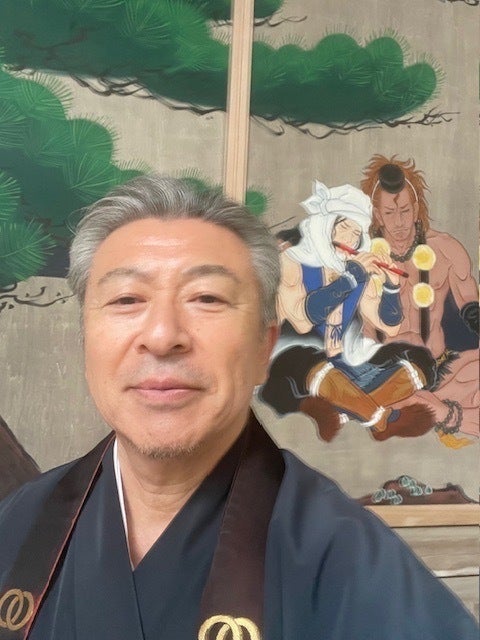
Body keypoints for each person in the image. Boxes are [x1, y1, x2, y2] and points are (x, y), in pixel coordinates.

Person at [0, 175, 476, 640]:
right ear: (85, 340)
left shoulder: (350, 563)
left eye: (206, 298)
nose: (162, 336)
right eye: (126, 299)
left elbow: (384, 318)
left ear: (263, 349)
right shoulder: (20, 523)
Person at [261, 181, 437, 441]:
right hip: (296, 358)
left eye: (356, 232)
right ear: (324, 225)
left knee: (421, 360)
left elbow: (388, 326)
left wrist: (391, 286)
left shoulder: (356, 267)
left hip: (343, 357)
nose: (349, 238)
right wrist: (349, 279)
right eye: (343, 226)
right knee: (301, 360)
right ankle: (381, 420)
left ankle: (345, 409)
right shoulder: (292, 261)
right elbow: (302, 320)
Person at [361, 155, 479, 446]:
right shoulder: (360, 257)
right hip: (382, 377)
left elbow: (472, 310)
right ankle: (430, 411)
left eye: (405, 210)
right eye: (390, 213)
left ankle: (429, 409)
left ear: (416, 209)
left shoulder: (446, 250)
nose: (399, 222)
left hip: (440, 371)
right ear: (377, 215)